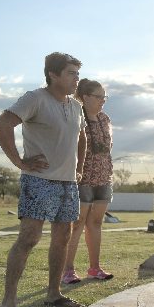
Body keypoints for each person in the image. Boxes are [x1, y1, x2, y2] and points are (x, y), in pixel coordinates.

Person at [0, 52, 86, 307]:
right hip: (39, 180)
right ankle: (8, 302)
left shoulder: (76, 106)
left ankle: (53, 294)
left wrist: (79, 168)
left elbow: (81, 138)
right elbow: (2, 124)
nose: (76, 79)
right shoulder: (35, 98)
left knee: (62, 238)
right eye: (70, 73)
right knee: (29, 238)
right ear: (53, 75)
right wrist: (19, 162)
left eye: (77, 74)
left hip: (68, 183)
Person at [61, 79, 114, 284]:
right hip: (82, 178)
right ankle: (67, 270)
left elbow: (107, 147)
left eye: (104, 97)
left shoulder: (104, 118)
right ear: (85, 97)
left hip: (104, 177)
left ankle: (94, 268)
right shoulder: (76, 116)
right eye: (99, 96)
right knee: (77, 224)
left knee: (96, 223)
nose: (103, 100)